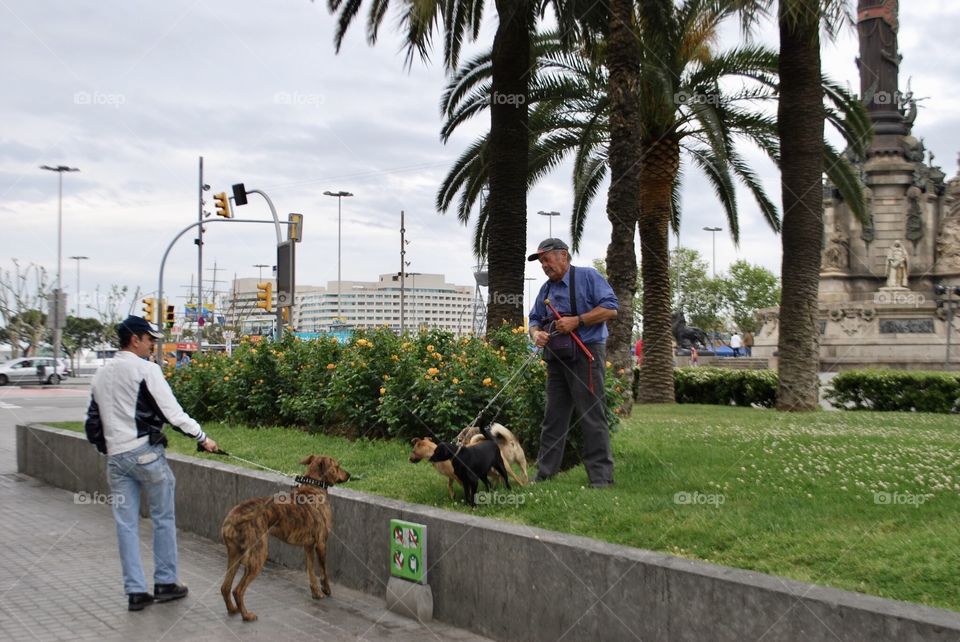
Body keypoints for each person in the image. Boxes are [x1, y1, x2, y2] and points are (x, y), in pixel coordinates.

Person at [84, 316, 219, 612]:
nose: (152, 346)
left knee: (126, 525)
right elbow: (173, 413)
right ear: (135, 339)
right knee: (163, 518)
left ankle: (135, 591)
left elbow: (92, 424)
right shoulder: (146, 370)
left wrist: (110, 448)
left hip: (116, 459)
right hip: (146, 454)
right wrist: (202, 437)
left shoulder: (101, 374)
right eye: (149, 340)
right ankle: (165, 582)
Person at [527, 238, 619, 487]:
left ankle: (601, 479)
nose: (544, 265)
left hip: (586, 356)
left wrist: (577, 321)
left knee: (591, 416)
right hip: (556, 358)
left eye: (547, 259)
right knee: (553, 418)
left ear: (564, 255)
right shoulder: (545, 290)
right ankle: (545, 475)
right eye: (541, 262)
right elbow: (534, 320)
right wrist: (537, 334)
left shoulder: (588, 277)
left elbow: (611, 309)